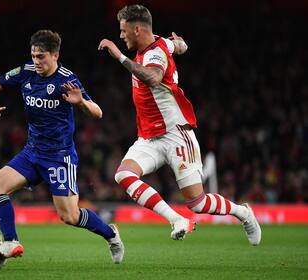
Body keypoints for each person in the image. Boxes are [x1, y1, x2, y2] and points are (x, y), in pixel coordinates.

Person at [98, 4, 261, 245]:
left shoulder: (154, 53)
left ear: (137, 29)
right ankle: (177, 220)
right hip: (150, 138)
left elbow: (153, 77)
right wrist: (181, 45)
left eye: (123, 31)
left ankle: (243, 212)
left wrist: (119, 56)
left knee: (198, 203)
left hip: (175, 134)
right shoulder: (160, 42)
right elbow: (179, 45)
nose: (120, 36)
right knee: (123, 174)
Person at [0, 30, 124, 263]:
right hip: (31, 152)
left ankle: (111, 234)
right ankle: (10, 242)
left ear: (55, 55)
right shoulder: (25, 72)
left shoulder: (67, 80)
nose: (36, 61)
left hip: (59, 157)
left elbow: (97, 112)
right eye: (34, 56)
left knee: (69, 216)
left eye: (41, 57)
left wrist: (81, 103)